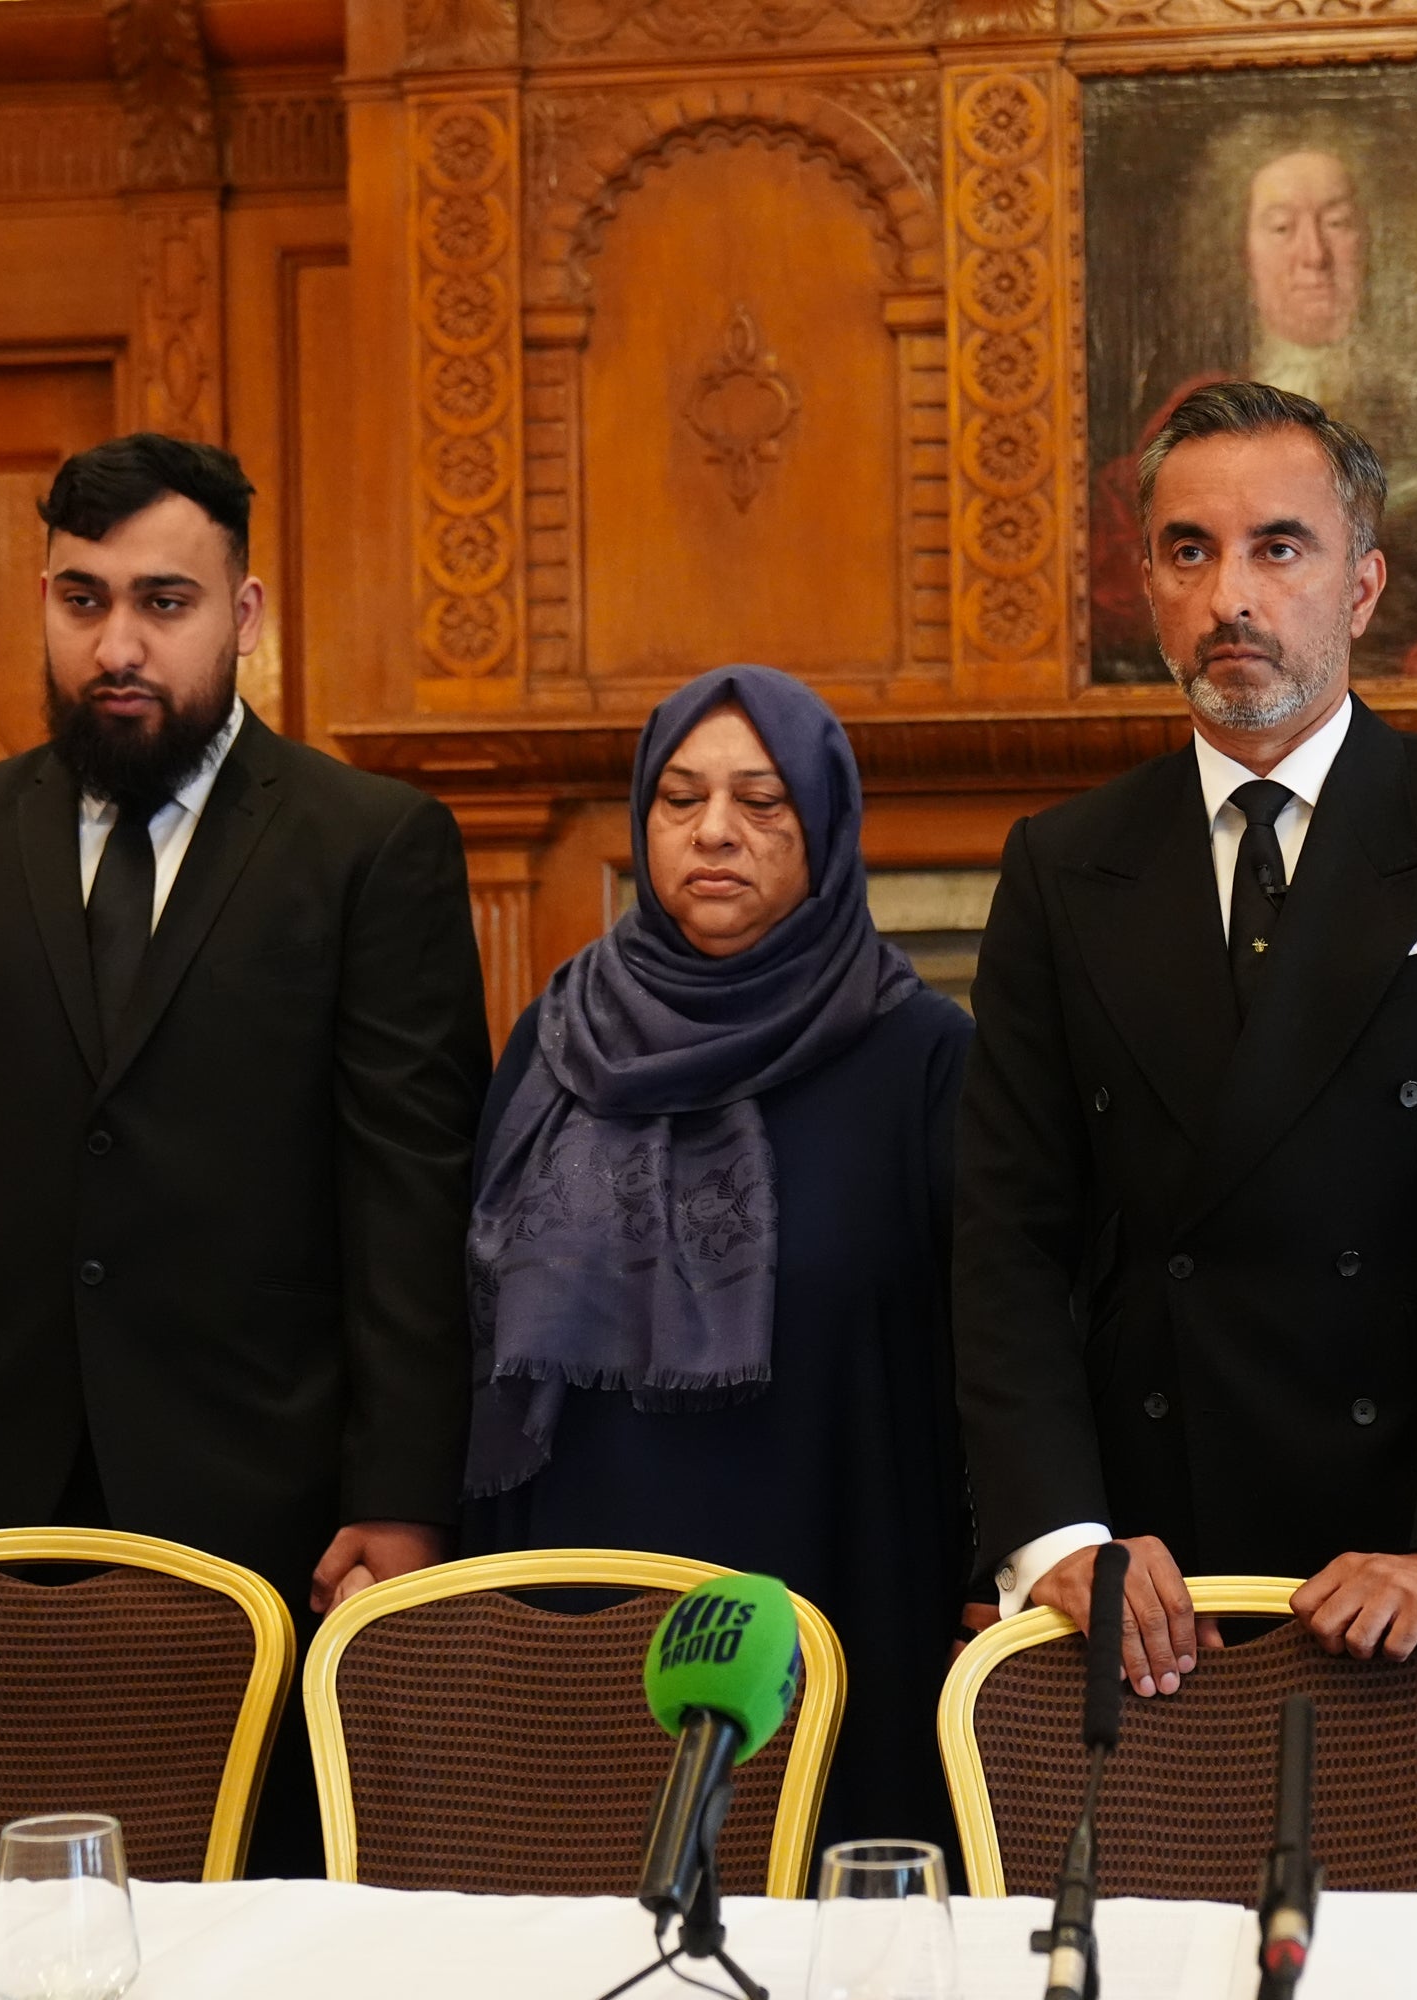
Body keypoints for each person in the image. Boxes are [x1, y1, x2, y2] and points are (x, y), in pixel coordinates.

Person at [0, 433, 489, 1871]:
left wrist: (400, 1495)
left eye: (165, 602)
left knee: (240, 1919)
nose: (119, 645)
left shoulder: (371, 847)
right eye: (84, 601)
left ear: (245, 615)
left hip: (262, 1502)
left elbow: (412, 1199)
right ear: (42, 600)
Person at [958, 380, 1417, 1697]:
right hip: (1150, 1584)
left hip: (1408, 1575)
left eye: (1279, 547)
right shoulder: (1063, 864)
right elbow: (1006, 1234)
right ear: (1148, 585)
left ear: (1363, 587)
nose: (1230, 596)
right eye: (1190, 551)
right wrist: (1063, 1539)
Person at [464, 665, 975, 1852]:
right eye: (681, 798)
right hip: (578, 1559)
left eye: (761, 801)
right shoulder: (558, 1030)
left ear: (828, 825)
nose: (714, 832)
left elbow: (979, 1339)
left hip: (828, 1546)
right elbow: (477, 1297)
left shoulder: (922, 1056)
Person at [1093, 144, 1417, 680]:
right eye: (1281, 228)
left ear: (1372, 243)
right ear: (1242, 254)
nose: (1314, 255)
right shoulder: (1190, 422)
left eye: (1337, 222)